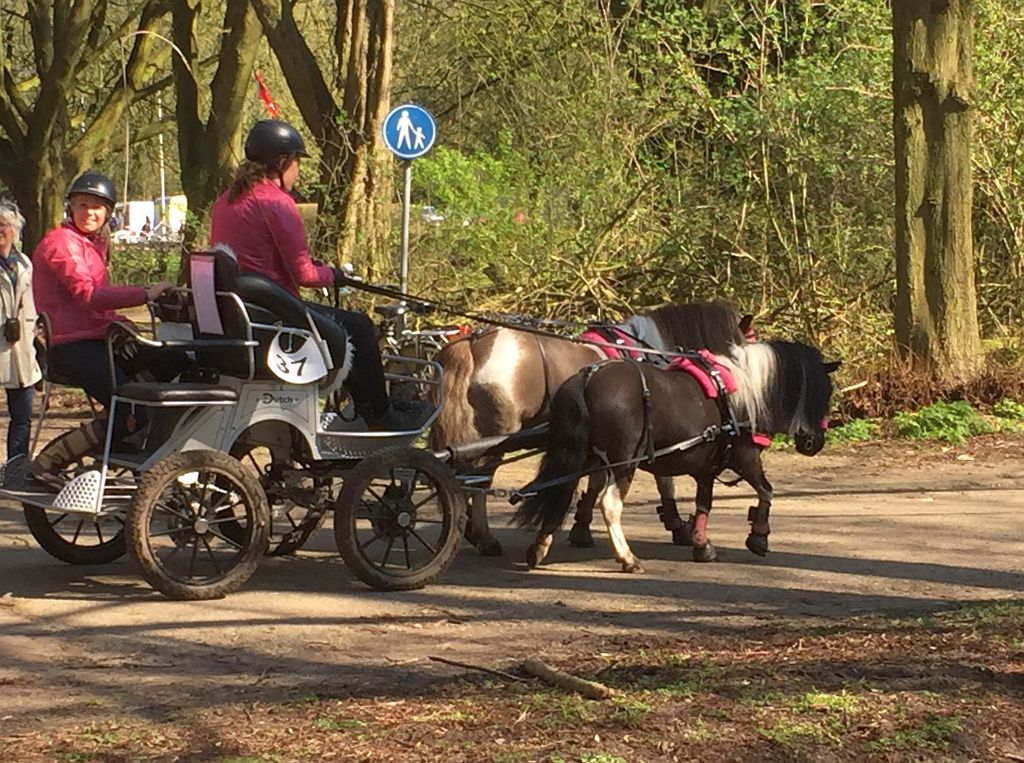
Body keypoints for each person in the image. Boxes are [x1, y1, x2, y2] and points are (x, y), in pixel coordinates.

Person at [209, 119, 430, 431]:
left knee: (344, 324)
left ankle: (364, 408)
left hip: (244, 313)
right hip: (274, 313)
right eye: (297, 161)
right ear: (282, 161)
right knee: (359, 327)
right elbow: (305, 274)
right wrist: (334, 274)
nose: (298, 170)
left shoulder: (226, 200)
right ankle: (380, 414)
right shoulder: (277, 202)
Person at [32, 172, 180, 442]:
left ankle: (128, 429)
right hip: (71, 347)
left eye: (97, 207)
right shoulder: (62, 244)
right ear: (71, 207)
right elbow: (89, 295)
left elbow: (97, 308)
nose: (89, 213)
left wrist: (120, 320)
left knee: (176, 362)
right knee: (129, 411)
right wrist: (145, 293)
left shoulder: (91, 245)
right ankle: (50, 463)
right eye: (82, 205)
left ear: (108, 212)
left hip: (97, 339)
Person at [0, 201, 41, 486]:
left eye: (4, 226)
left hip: (22, 348)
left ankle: (15, 472)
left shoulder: (25, 263)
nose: (0, 231)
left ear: (15, 231)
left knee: (22, 416)